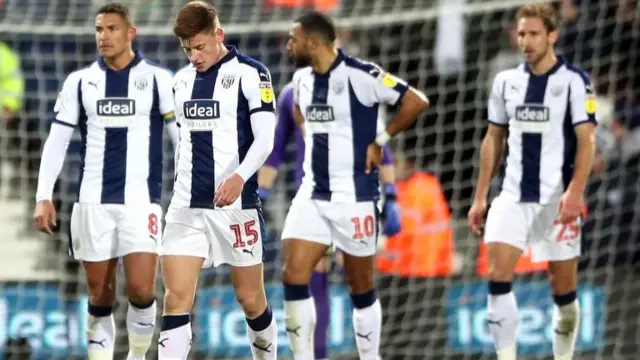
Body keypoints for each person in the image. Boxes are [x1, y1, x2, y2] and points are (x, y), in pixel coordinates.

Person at [32, 3, 179, 360]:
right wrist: (43, 195)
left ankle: (138, 355)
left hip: (140, 201)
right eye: (99, 29)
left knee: (143, 289)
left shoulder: (159, 79)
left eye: (112, 28)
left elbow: (181, 139)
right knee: (99, 292)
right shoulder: (80, 82)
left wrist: (189, 189)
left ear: (131, 33)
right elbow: (57, 141)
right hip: (92, 202)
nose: (104, 36)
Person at [280, 10, 429, 359]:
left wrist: (380, 139)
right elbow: (298, 113)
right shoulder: (300, 81)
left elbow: (416, 102)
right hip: (313, 193)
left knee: (360, 286)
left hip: (355, 196)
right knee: (292, 275)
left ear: (313, 42)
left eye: (294, 38)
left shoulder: (363, 75)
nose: (289, 44)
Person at [467, 3, 597, 360]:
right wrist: (480, 197)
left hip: (558, 199)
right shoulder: (505, 82)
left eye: (534, 34)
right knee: (497, 277)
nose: (525, 41)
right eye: (521, 34)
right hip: (511, 196)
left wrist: (575, 193)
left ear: (552, 35)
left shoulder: (574, 81)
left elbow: (587, 141)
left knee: (563, 292)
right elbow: (494, 137)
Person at [158, 2, 279, 359]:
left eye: (199, 47)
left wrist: (240, 176)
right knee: (176, 298)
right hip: (186, 206)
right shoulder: (180, 82)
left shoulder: (251, 74)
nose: (194, 56)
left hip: (235, 206)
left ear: (218, 36)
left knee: (250, 299)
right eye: (187, 49)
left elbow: (266, 138)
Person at [258, 83, 401, 360]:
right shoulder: (293, 93)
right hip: (314, 199)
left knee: (359, 280)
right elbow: (274, 151)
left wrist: (392, 194)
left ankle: (371, 355)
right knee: (312, 280)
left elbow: (379, 144)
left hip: (355, 196)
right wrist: (260, 196)